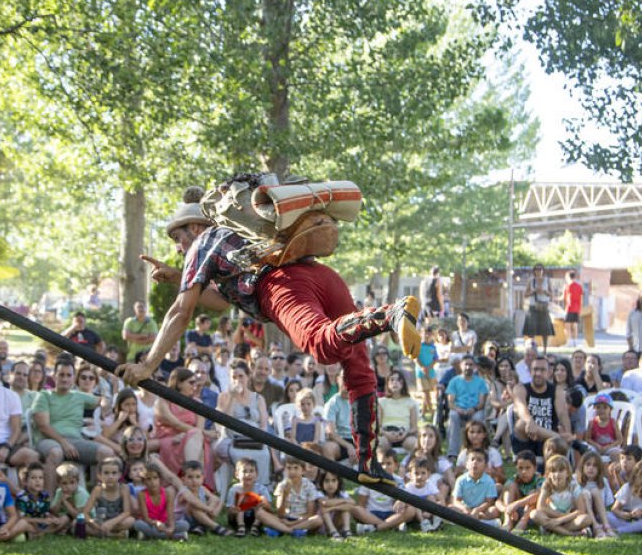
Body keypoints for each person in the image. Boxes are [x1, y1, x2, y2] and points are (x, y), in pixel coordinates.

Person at [120, 187, 420, 484]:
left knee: (321, 345)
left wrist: (147, 366)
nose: (177, 247)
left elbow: (179, 313)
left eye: (177, 237)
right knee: (358, 369)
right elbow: (222, 302)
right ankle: (369, 463)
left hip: (281, 284)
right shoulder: (236, 238)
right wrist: (176, 277)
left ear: (196, 227)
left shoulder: (204, 242)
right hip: (324, 277)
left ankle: (389, 314)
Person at [30, 361, 114, 493]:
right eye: (61, 375)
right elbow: (43, 426)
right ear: (54, 376)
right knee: (56, 453)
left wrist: (103, 405)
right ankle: (49, 503)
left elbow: (102, 399)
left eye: (68, 375)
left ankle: (99, 500)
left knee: (107, 453)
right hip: (49, 441)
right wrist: (64, 443)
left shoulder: (79, 396)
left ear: (73, 378)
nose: (64, 378)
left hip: (75, 442)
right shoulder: (44, 396)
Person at [511, 357, 571, 457]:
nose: (538, 373)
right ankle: (558, 437)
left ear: (549, 372)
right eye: (535, 369)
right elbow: (521, 408)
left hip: (548, 439)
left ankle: (558, 438)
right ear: (530, 371)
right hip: (526, 438)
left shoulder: (557, 390)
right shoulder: (520, 388)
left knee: (559, 440)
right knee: (521, 424)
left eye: (542, 370)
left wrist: (568, 435)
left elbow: (562, 414)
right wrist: (530, 421)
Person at [529, 454, 592, 537]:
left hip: (569, 518)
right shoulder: (547, 485)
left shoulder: (573, 486)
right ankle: (570, 534)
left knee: (586, 519)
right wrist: (558, 518)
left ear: (568, 473)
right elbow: (541, 507)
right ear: (548, 474)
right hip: (552, 517)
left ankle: (551, 530)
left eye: (561, 471)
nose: (557, 474)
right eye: (553, 471)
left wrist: (560, 520)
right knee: (534, 514)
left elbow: (581, 510)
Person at [444, 356, 489, 462]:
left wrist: (473, 409)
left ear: (475, 367)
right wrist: (458, 409)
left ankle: (477, 448)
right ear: (461, 366)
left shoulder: (480, 382)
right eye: (466, 364)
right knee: (453, 415)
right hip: (458, 409)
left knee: (478, 417)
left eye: (471, 365)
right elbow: (450, 402)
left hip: (474, 410)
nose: (468, 367)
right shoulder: (454, 381)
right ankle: (453, 453)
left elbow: (482, 402)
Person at [82, 458, 136, 538]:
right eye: (106, 473)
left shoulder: (124, 488)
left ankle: (102, 533)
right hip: (101, 521)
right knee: (77, 523)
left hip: (118, 521)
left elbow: (127, 512)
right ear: (99, 475)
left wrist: (111, 523)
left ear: (120, 475)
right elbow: (85, 512)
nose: (110, 476)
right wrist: (93, 524)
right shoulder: (98, 490)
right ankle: (113, 535)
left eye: (114, 473)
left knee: (131, 520)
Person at [608, 460, 642, 535]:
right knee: (606, 515)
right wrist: (623, 514)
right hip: (627, 519)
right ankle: (636, 529)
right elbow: (615, 509)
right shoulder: (628, 487)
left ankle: (621, 530)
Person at [175, 461, 229, 536]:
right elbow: (193, 501)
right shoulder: (184, 491)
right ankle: (216, 527)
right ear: (183, 479)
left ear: (202, 478)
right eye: (190, 477)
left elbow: (214, 498)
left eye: (198, 477)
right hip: (185, 521)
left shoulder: (202, 489)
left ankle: (202, 526)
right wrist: (208, 509)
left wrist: (212, 508)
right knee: (192, 505)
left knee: (216, 500)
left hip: (200, 517)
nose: (194, 480)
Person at [450, 449, 501, 526]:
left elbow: (489, 502)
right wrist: (464, 508)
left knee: (494, 511)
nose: (475, 462)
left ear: (485, 465)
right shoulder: (461, 480)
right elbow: (456, 500)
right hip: (465, 509)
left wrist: (478, 510)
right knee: (451, 508)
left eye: (479, 460)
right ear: (466, 464)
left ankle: (467, 520)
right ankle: (480, 521)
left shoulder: (489, 481)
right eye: (472, 459)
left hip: (481, 510)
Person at [271, 459, 323, 536]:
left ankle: (286, 529)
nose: (292, 472)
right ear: (285, 470)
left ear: (303, 471)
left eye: (296, 468)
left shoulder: (309, 486)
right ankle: (294, 531)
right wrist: (285, 495)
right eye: (289, 468)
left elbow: (310, 513)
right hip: (285, 518)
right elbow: (280, 514)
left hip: (302, 519)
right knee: (265, 515)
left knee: (318, 520)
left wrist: (292, 523)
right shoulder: (282, 485)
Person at [500, 451, 542, 532]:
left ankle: (523, 522)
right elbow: (498, 501)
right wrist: (507, 509)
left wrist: (516, 504)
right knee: (510, 486)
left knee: (533, 493)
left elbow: (538, 496)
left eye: (527, 468)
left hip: (532, 513)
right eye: (520, 468)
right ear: (516, 468)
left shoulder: (539, 479)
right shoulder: (514, 479)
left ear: (535, 468)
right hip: (514, 513)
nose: (524, 472)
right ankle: (508, 521)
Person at [522, 264, 553, 350]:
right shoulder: (531, 281)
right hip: (533, 306)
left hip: (544, 306)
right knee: (532, 329)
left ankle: (545, 350)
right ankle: (532, 348)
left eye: (540, 269)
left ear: (543, 270)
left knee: (545, 329)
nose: (538, 271)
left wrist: (545, 291)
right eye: (536, 269)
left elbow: (551, 295)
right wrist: (533, 291)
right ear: (534, 271)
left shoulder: (547, 280)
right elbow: (525, 294)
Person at [562, 271, 584, 347]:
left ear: (568, 277)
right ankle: (575, 342)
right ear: (575, 277)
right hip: (577, 308)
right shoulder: (579, 286)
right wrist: (580, 309)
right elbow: (581, 299)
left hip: (569, 308)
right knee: (574, 326)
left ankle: (569, 342)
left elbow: (565, 298)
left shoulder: (567, 286)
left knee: (567, 326)